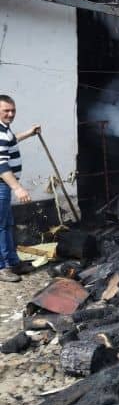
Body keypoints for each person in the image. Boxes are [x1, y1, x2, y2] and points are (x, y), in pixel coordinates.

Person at [0, 95, 41, 283]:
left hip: (5, 186)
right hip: (3, 185)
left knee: (7, 225)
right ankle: (2, 268)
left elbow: (11, 142)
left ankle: (13, 263)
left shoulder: (4, 130)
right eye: (6, 110)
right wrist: (17, 187)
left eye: (13, 110)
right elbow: (1, 165)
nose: (10, 114)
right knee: (1, 226)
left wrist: (28, 133)